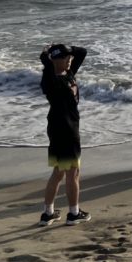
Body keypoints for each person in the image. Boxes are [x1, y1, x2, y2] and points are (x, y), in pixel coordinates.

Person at [38, 44, 91, 226]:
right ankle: (74, 214)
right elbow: (48, 67)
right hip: (65, 130)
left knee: (59, 171)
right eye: (65, 58)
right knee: (73, 172)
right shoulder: (51, 80)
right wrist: (47, 56)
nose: (70, 60)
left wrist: (63, 49)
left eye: (70, 58)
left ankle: (48, 214)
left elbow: (82, 52)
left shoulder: (68, 73)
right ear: (55, 60)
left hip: (59, 128)